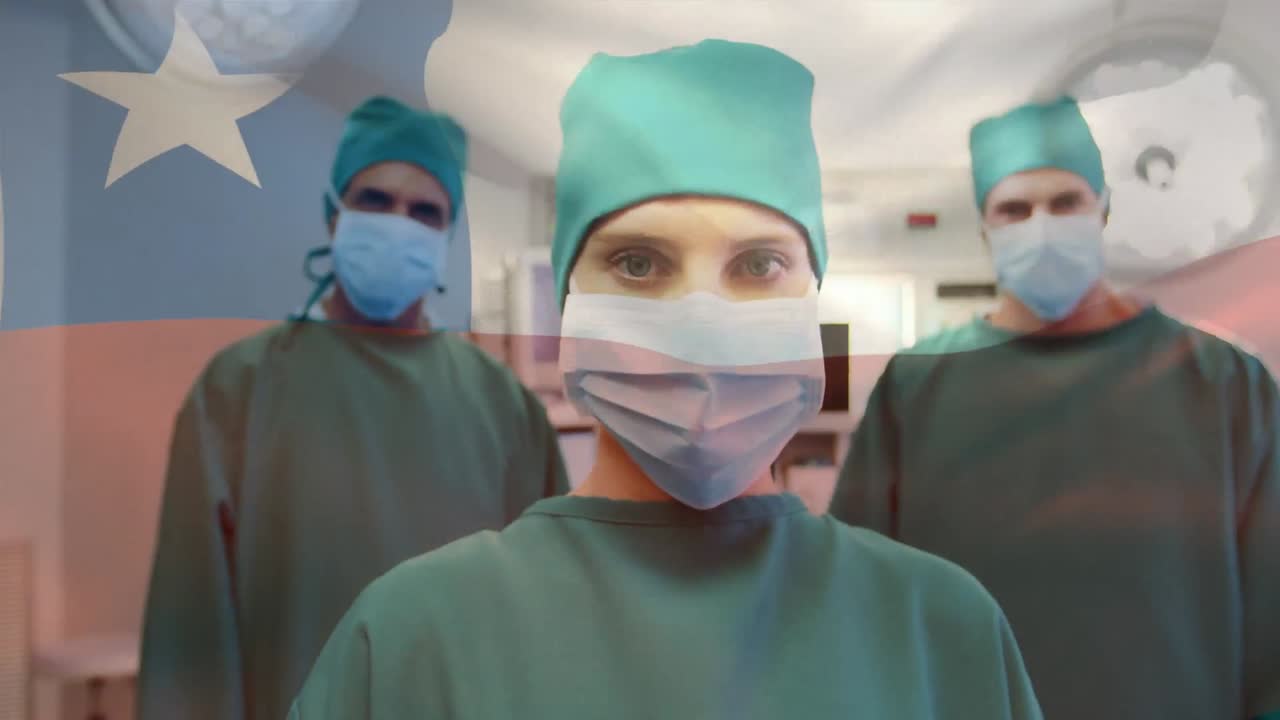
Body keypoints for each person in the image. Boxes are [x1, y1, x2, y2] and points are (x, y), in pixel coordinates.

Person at [288, 40, 1042, 719]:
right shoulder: (409, 641)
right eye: (638, 263)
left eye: (758, 265)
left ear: (813, 293)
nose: (701, 316)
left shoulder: (940, 630)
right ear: (570, 303)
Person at [831, 97, 1280, 720]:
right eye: (1014, 209)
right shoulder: (917, 387)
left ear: (1103, 210)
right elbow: (859, 600)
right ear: (986, 229)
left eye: (1065, 202)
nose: (1040, 224)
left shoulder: (1224, 382)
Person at [137, 96, 569, 720]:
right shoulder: (239, 392)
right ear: (334, 216)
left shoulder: (505, 409)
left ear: (446, 237)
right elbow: (191, 641)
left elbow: (546, 620)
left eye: (425, 211)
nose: (399, 222)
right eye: (375, 201)